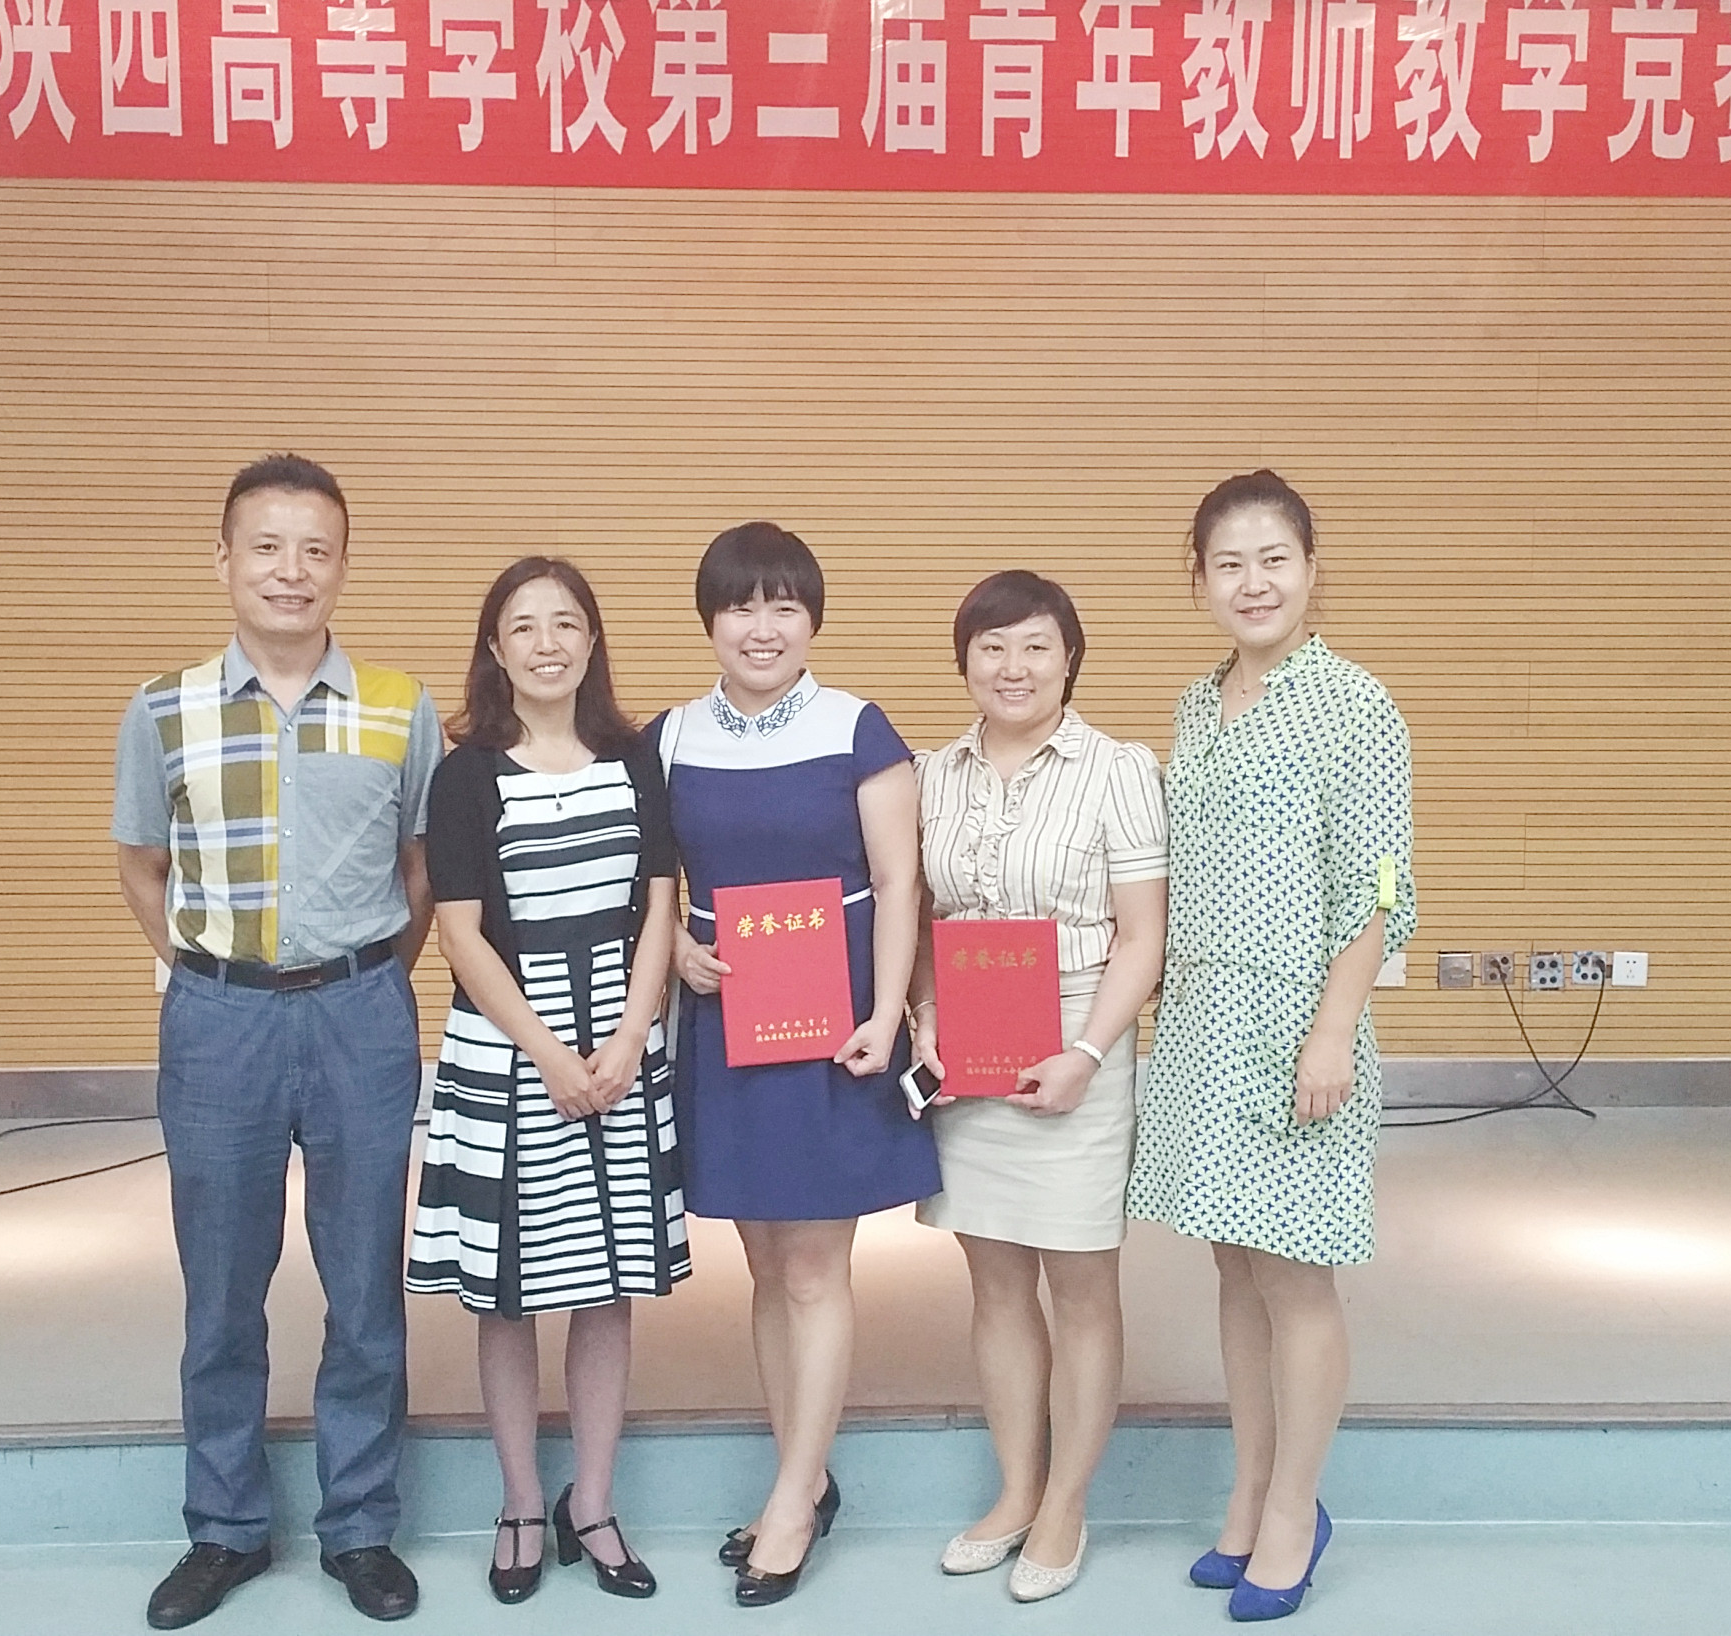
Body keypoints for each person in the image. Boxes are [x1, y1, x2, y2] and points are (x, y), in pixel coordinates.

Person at [113, 453, 439, 1629]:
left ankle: (360, 1527)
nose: (290, 570)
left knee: (365, 1286)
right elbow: (141, 866)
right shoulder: (163, 709)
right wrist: (217, 972)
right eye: (267, 546)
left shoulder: (401, 707)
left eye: (315, 550)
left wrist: (361, 975)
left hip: (361, 1013)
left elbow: (421, 870)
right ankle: (226, 1528)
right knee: (220, 1287)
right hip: (220, 1022)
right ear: (224, 562)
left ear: (342, 567)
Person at [1126, 471, 1416, 1624]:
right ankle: (1247, 1494)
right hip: (1202, 1028)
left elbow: (1380, 887)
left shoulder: (1356, 705)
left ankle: (1296, 1509)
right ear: (1199, 580)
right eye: (1230, 564)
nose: (1254, 583)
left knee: (1296, 1276)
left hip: (1299, 1030)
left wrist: (1333, 1030)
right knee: (1235, 1268)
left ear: (1310, 569)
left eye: (1275, 560)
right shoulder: (1197, 706)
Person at [655, 521, 936, 1609]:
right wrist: (677, 951)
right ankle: (803, 1476)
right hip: (729, 1029)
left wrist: (885, 1012)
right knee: (767, 1266)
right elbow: (654, 885)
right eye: (740, 606)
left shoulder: (857, 728)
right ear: (711, 621)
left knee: (817, 1268)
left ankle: (790, 1503)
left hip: (834, 1033)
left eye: (783, 606)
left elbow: (899, 882)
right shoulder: (673, 737)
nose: (761, 627)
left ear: (812, 618)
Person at [408, 557, 681, 1605]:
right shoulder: (466, 773)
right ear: (495, 648)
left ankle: (593, 1503)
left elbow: (660, 905)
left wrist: (630, 1034)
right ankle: (522, 1501)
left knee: (609, 1286)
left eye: (566, 623)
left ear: (592, 640)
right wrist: (552, 1056)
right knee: (509, 1291)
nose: (547, 643)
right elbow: (461, 935)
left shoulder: (635, 756)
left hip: (622, 1045)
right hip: (509, 1050)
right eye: (524, 626)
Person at [910, 571, 1168, 1604]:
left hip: (1077, 1037)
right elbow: (921, 918)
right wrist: (926, 1017)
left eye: (1035, 647)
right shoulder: (932, 774)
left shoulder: (1119, 769)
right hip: (970, 1041)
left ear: (1069, 659)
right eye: (992, 647)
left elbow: (1143, 936)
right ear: (964, 659)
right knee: (996, 1282)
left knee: (1082, 1283)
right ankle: (1016, 1489)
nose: (1012, 667)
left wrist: (1089, 1053)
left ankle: (1067, 1502)